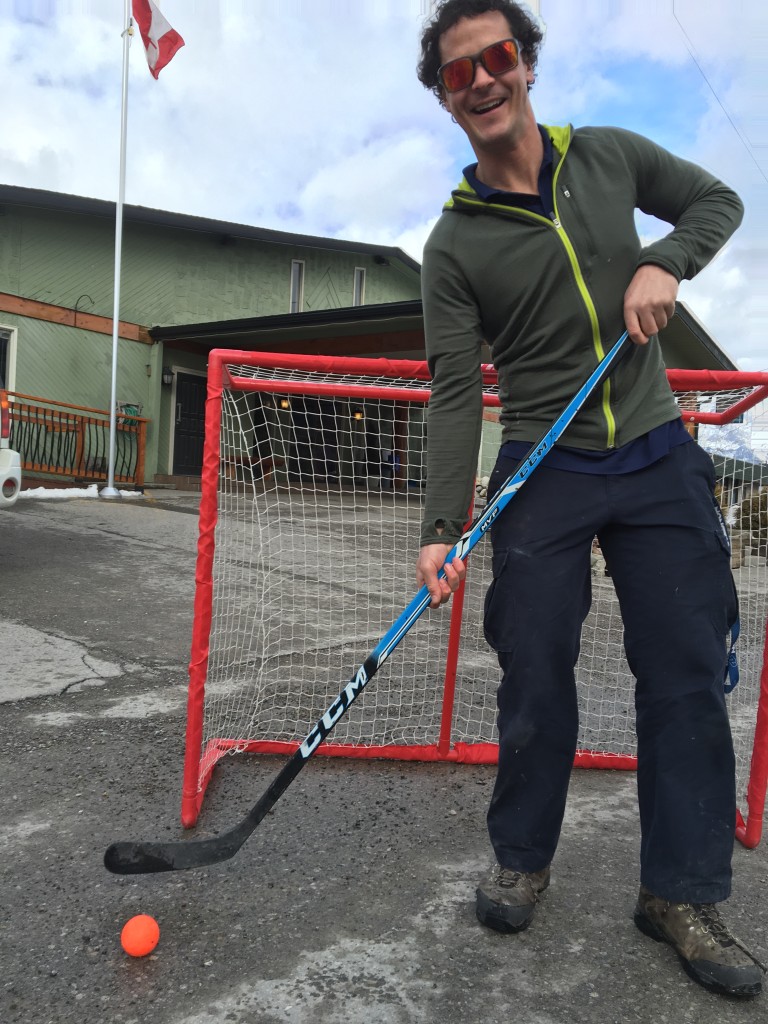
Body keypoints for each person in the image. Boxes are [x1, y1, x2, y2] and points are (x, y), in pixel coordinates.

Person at [414, 0, 764, 998]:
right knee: (533, 667)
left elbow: (716, 203)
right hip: (543, 463)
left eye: (496, 57)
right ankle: (521, 856)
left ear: (527, 64)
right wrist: (441, 527)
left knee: (687, 673)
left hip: (655, 451)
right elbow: (449, 390)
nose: (480, 79)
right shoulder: (453, 244)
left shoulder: (606, 155)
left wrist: (664, 261)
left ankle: (681, 894)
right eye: (456, 72)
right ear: (445, 99)